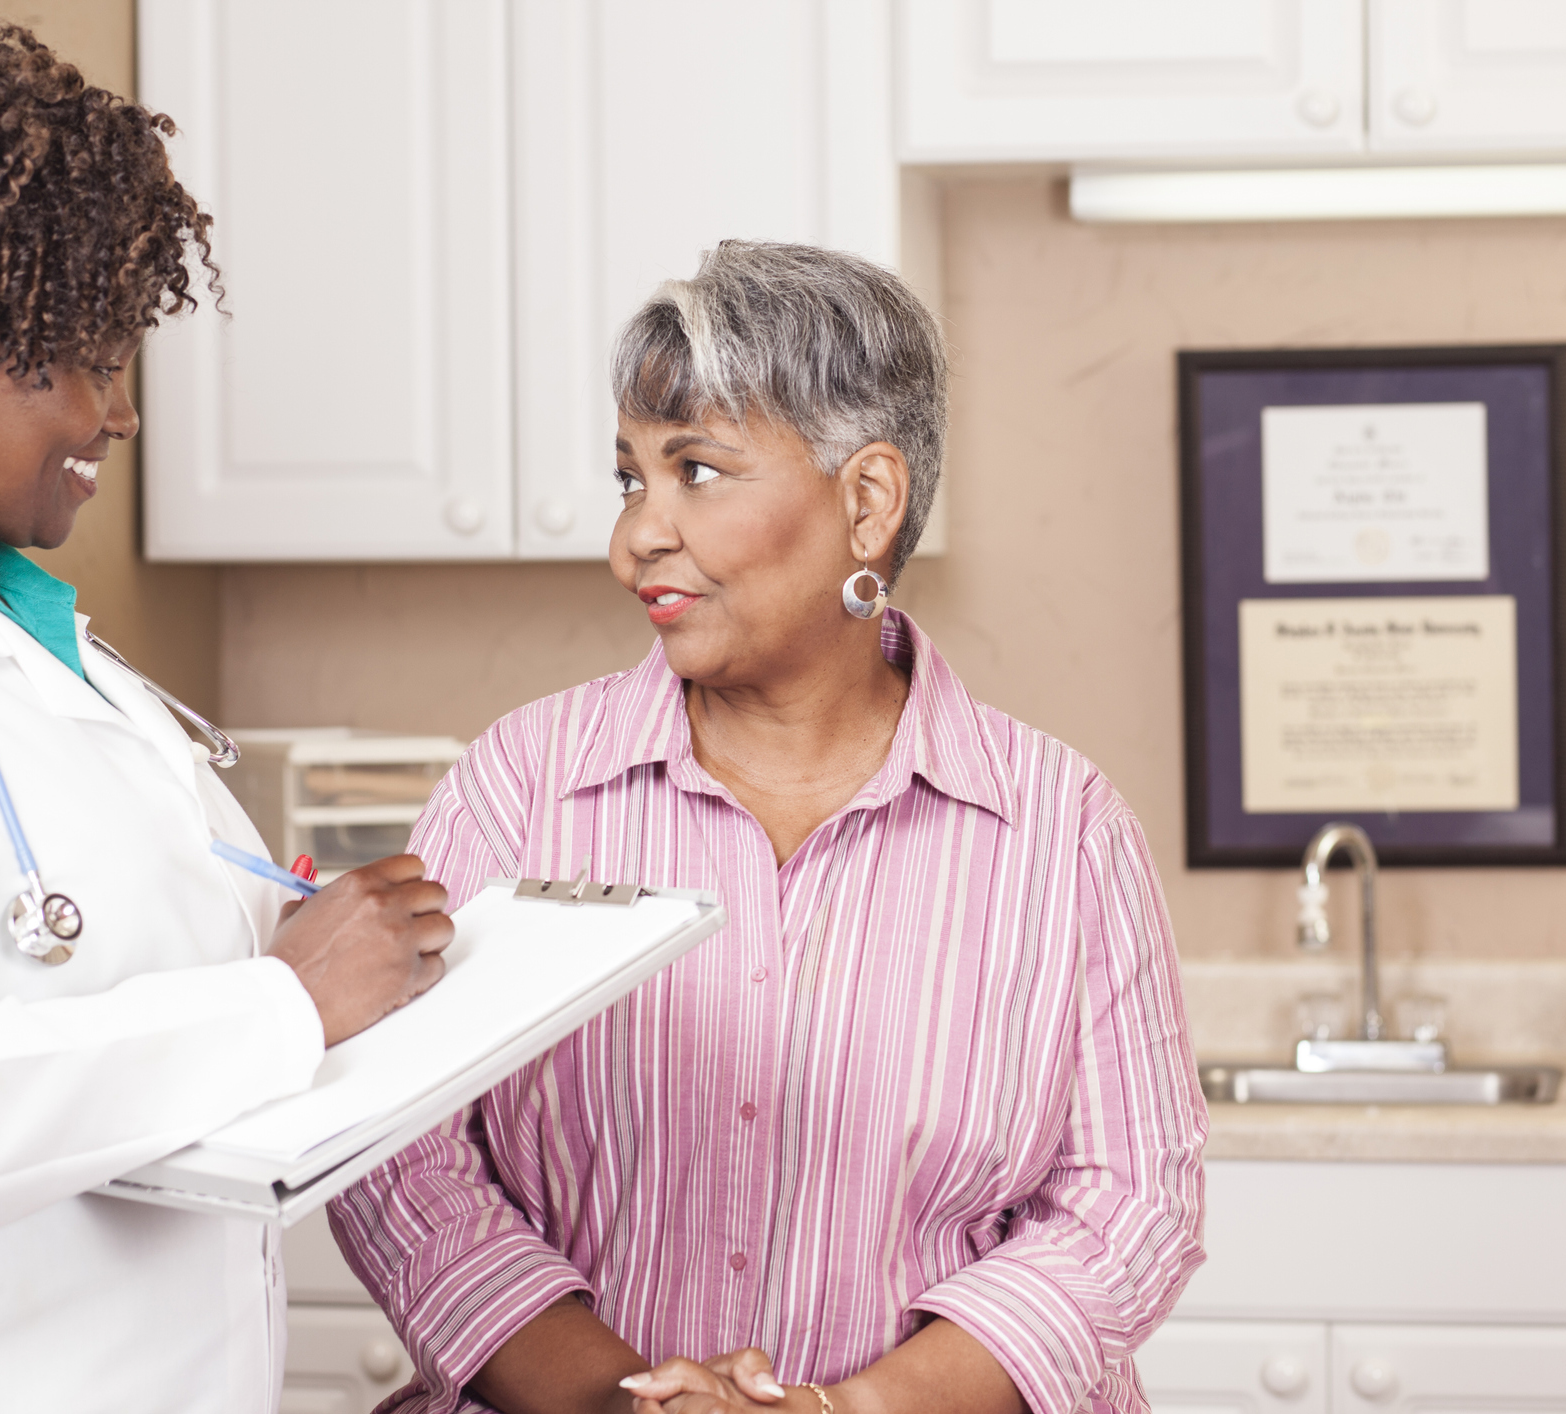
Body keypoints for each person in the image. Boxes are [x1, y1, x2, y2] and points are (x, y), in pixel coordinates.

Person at [330, 240, 1208, 1414]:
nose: (634, 535)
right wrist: (616, 1402)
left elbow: (1130, 1201)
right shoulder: (521, 784)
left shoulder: (1064, 829)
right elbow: (397, 1146)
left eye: (696, 470)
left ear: (867, 500)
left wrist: (855, 1411)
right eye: (630, 477)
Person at [0, 28, 454, 1412]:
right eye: (91, 363)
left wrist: (341, 947)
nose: (119, 415)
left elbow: (134, 964)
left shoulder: (35, 646)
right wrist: (284, 996)